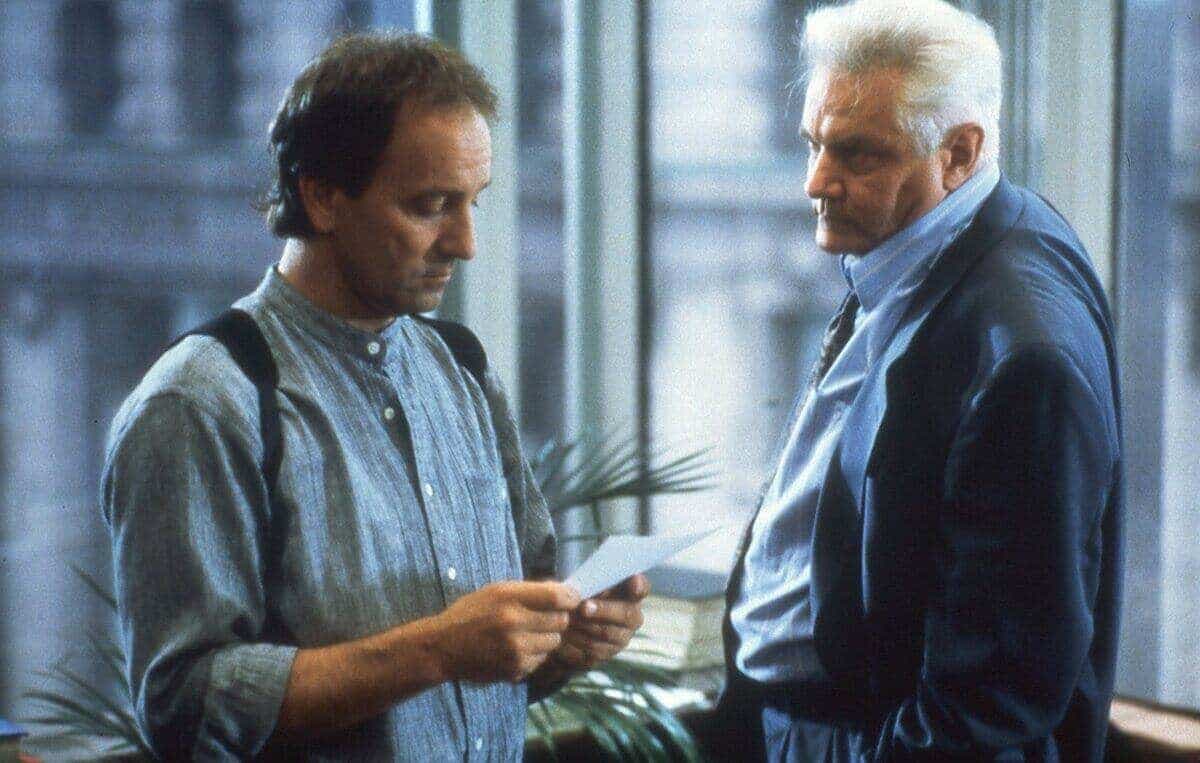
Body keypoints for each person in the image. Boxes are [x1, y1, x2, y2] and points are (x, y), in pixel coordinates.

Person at [101, 32, 646, 761]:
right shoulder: (202, 401)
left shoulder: (461, 370)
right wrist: (438, 649)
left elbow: (499, 653)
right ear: (322, 196)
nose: (465, 242)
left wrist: (563, 643)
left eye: (473, 202)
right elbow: (184, 708)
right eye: (430, 206)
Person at [718, 1, 1122, 760]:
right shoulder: (922, 243)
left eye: (856, 154)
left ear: (959, 153)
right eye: (812, 144)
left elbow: (994, 695)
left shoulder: (1022, 354)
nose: (816, 181)